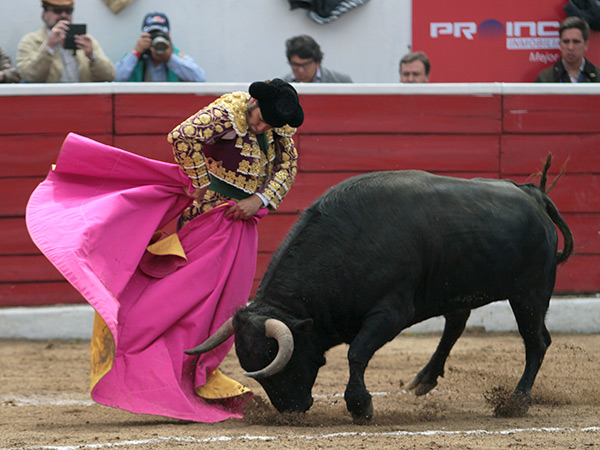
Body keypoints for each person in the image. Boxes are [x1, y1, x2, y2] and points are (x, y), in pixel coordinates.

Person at [26, 78, 304, 422]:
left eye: (268, 125)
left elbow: (286, 167)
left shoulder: (279, 128)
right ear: (253, 101)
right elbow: (182, 136)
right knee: (190, 294)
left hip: (244, 221)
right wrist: (201, 183)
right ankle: (147, 354)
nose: (261, 127)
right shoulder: (227, 111)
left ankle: (204, 373)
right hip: (210, 215)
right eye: (261, 119)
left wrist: (257, 200)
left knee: (228, 302)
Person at [16, 0, 115, 83]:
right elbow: (28, 76)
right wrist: (49, 47)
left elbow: (110, 76)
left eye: (68, 11)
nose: (64, 15)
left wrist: (92, 56)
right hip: (49, 101)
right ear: (44, 15)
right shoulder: (31, 41)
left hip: (83, 100)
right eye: (57, 11)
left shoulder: (85, 40)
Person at [115, 12, 206, 82]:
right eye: (152, 35)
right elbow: (115, 78)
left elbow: (200, 78)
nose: (156, 39)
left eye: (160, 35)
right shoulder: (136, 58)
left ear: (168, 36)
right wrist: (136, 53)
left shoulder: (177, 56)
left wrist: (170, 58)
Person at [535, 16, 600, 82]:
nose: (570, 47)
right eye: (566, 41)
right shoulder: (545, 78)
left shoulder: (598, 76)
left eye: (576, 41)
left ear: (586, 45)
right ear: (560, 45)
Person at [282, 35, 352, 83]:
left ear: (318, 63)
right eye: (295, 65)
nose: (301, 70)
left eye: (306, 64)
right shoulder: (282, 86)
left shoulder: (341, 81)